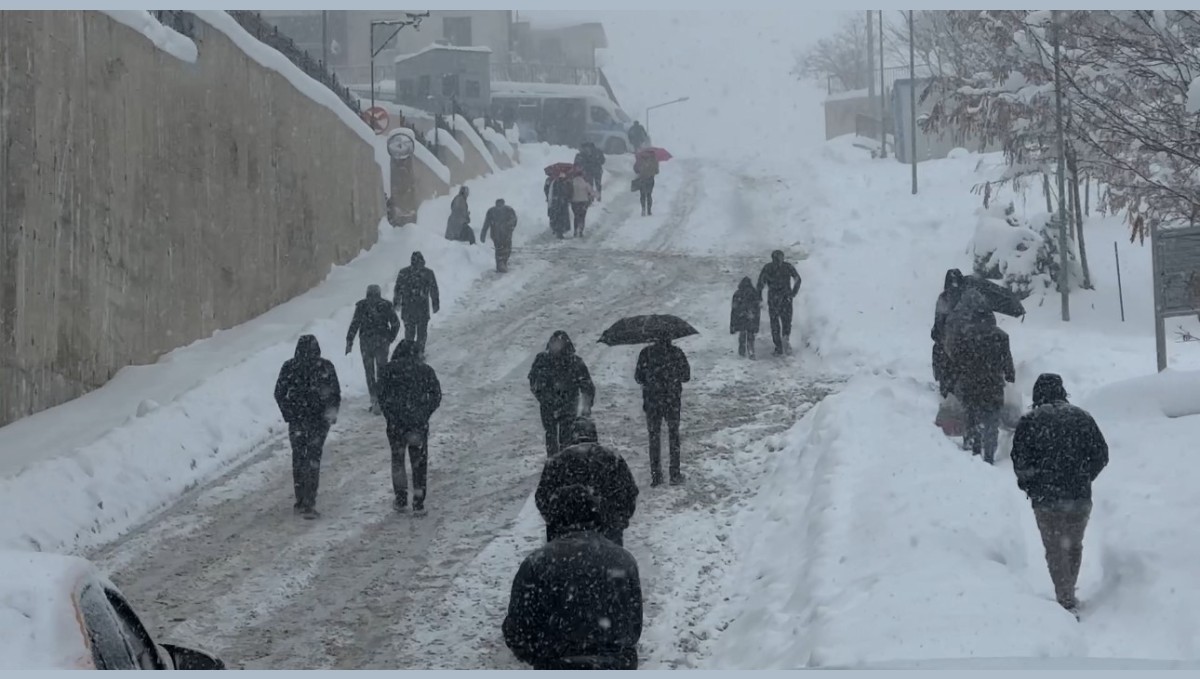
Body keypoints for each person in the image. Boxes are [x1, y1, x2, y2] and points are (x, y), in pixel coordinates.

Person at [503, 484, 643, 670]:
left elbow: (517, 632)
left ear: (554, 520)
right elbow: (633, 627)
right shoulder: (623, 560)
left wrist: (544, 658)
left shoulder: (536, 564)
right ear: (596, 516)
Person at [1010, 374, 1109, 616]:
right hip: (1078, 496)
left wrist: (1030, 485)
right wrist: (1084, 476)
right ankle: (1068, 591)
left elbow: (1019, 460)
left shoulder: (1030, 421)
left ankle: (1063, 596)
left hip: (1046, 499)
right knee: (1073, 544)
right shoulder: (1082, 418)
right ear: (1062, 392)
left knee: (1054, 547)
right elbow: (1101, 455)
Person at [535, 417, 638, 546]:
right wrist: (616, 522)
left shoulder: (555, 462)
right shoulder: (612, 459)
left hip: (564, 538)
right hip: (607, 535)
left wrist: (557, 522)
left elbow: (542, 498)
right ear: (595, 436)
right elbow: (629, 493)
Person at [273, 335, 341, 518]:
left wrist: (288, 413)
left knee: (298, 458)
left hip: (297, 420)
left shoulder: (290, 367)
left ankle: (301, 499)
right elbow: (335, 393)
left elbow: (279, 392)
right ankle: (309, 501)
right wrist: (330, 414)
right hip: (318, 421)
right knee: (313, 458)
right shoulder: (325, 367)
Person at [378, 339, 443, 514]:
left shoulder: (388, 371)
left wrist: (391, 415)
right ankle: (418, 501)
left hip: (396, 425)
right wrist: (424, 413)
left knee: (398, 461)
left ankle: (400, 499)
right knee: (419, 462)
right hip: (417, 424)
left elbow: (381, 397)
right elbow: (436, 396)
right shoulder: (425, 370)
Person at [952, 305, 1015, 464]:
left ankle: (972, 449)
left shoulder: (965, 335)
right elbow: (1007, 362)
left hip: (971, 385)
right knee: (991, 422)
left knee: (971, 416)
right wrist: (1009, 375)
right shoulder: (1001, 336)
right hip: (993, 386)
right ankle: (989, 455)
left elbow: (957, 361)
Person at [528, 331, 596, 457]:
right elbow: (533, 380)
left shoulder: (573, 362)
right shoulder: (543, 360)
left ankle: (560, 461)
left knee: (563, 434)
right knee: (553, 434)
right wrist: (542, 396)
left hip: (566, 404)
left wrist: (586, 406)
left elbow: (587, 386)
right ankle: (557, 460)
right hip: (553, 404)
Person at [635, 337, 691, 487]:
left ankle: (656, 475)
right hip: (672, 400)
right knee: (674, 435)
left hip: (652, 401)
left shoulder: (646, 353)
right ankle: (674, 473)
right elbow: (686, 376)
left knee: (654, 437)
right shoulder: (677, 353)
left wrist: (652, 379)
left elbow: (638, 377)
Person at [345, 284, 401, 414]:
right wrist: (390, 337)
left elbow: (355, 324)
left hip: (366, 342)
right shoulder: (386, 305)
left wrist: (349, 341)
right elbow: (396, 323)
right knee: (382, 370)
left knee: (369, 371)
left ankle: (374, 399)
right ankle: (382, 399)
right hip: (382, 342)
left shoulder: (361, 306)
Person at [755, 249, 803, 356]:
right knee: (786, 321)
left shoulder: (768, 268)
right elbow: (798, 279)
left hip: (774, 299)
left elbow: (760, 285)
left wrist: (759, 298)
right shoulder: (787, 267)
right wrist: (793, 293)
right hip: (786, 298)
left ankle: (778, 347)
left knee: (775, 323)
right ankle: (785, 338)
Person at [393, 252, 440, 357]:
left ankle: (411, 353)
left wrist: (396, 302)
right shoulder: (427, 273)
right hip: (421, 309)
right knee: (420, 333)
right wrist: (435, 303)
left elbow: (397, 289)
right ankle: (418, 352)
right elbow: (434, 289)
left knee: (411, 333)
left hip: (409, 309)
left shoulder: (404, 273)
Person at [932, 269, 966, 397]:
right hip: (966, 345)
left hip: (946, 348)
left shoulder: (943, 298)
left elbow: (938, 324)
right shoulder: (967, 298)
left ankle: (946, 392)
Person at [481, 198, 519, 273]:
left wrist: (483, 234)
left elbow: (486, 224)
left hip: (496, 234)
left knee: (498, 249)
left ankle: (500, 264)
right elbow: (514, 220)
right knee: (506, 248)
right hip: (505, 233)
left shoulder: (491, 211)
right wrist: (510, 227)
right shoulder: (509, 210)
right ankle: (502, 263)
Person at [730, 276, 762, 359]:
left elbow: (734, 310)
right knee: (751, 336)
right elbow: (757, 309)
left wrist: (732, 325)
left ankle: (742, 351)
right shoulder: (754, 293)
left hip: (741, 317)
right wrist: (756, 323)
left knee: (742, 334)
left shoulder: (737, 294)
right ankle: (751, 352)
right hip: (751, 317)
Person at [569, 171, 597, 238]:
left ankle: (575, 231)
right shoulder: (585, 184)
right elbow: (592, 193)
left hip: (574, 202)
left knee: (576, 216)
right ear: (582, 175)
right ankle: (581, 231)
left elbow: (569, 191)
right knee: (582, 217)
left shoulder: (571, 183)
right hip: (583, 202)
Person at [633, 148, 659, 217]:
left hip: (642, 179)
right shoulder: (654, 160)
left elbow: (635, 169)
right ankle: (649, 210)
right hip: (650, 179)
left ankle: (643, 209)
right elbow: (657, 171)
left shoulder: (640, 159)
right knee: (649, 195)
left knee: (642, 195)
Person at [547, 172, 572, 239]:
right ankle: (559, 232)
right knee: (560, 218)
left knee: (556, 217)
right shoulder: (563, 183)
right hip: (561, 204)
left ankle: (557, 230)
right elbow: (568, 193)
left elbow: (549, 192)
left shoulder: (553, 182)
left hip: (555, 204)